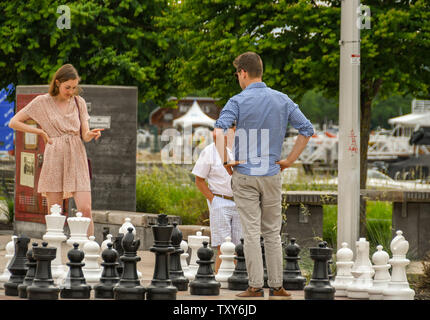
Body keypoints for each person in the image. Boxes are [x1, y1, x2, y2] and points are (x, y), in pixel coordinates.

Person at [214, 52, 314, 300]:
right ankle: (278, 286)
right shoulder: (282, 99)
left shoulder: (237, 101)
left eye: (237, 73)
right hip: (271, 172)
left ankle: (255, 287)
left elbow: (219, 128)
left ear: (244, 73)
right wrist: (289, 160)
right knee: (272, 232)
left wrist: (226, 160)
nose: (238, 77)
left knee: (251, 232)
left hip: (245, 173)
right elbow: (307, 129)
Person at [9, 64, 103, 237]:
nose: (71, 91)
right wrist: (39, 131)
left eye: (74, 87)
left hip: (76, 154)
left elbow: (85, 134)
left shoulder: (78, 102)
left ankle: (90, 250)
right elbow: (14, 122)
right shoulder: (42, 102)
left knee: (85, 208)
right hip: (54, 155)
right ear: (57, 83)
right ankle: (53, 256)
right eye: (67, 87)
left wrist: (90, 134)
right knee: (55, 213)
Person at [192, 123, 242, 273]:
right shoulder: (210, 151)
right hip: (220, 201)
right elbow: (199, 180)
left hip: (240, 202)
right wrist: (213, 200)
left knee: (239, 247)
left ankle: (235, 280)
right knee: (223, 247)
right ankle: (218, 279)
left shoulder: (241, 151)